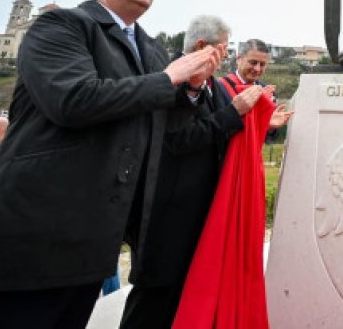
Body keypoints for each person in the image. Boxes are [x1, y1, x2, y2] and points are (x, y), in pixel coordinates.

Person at [0, 0, 221, 328]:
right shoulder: (62, 25)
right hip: (39, 226)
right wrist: (168, 79)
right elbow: (72, 100)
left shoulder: (152, 49)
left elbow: (164, 127)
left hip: (96, 236)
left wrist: (189, 91)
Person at [120, 17, 292, 328]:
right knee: (153, 301)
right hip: (167, 216)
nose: (225, 58)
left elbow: (228, 133)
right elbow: (178, 140)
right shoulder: (167, 81)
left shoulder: (213, 85)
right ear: (202, 47)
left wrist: (264, 123)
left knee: (182, 297)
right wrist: (235, 112)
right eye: (224, 51)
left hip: (200, 214)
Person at [220, 39, 291, 127]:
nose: (257, 69)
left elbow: (270, 137)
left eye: (262, 64)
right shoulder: (220, 87)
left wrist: (271, 127)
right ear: (239, 59)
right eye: (253, 63)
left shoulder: (268, 91)